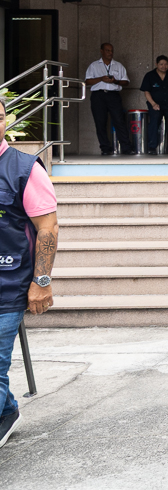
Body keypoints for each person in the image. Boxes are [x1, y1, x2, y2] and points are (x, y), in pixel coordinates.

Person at [0, 98, 59, 449]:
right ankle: (7, 409)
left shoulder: (23, 168)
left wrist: (42, 282)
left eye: (0, 114)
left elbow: (47, 228)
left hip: (8, 287)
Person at [84, 42, 135, 155]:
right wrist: (101, 79)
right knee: (100, 122)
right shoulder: (94, 65)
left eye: (111, 51)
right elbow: (87, 81)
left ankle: (127, 148)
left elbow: (126, 82)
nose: (110, 53)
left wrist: (115, 81)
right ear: (101, 51)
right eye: (107, 50)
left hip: (113, 95)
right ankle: (105, 148)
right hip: (98, 95)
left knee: (119, 121)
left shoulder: (118, 65)